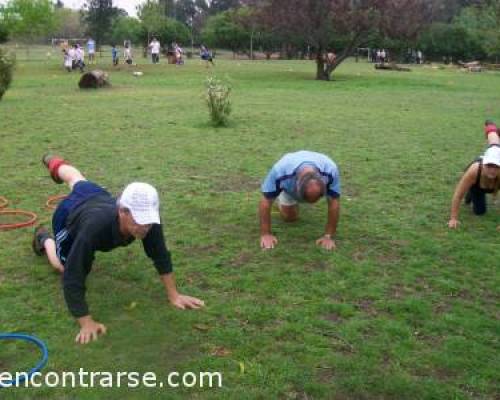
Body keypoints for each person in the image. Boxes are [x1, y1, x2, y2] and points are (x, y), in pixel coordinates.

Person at [32, 155, 205, 344]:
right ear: (122, 211)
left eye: (147, 220)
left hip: (96, 196)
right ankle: (44, 239)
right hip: (69, 215)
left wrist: (174, 295)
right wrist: (86, 322)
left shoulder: (148, 221)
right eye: (139, 219)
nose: (145, 227)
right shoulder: (94, 229)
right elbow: (73, 276)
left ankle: (54, 163)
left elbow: (160, 254)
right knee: (62, 266)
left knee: (77, 180)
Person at [259, 150, 341, 251]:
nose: (312, 204)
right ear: (297, 186)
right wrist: (265, 234)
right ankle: (280, 194)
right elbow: (265, 201)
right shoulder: (280, 171)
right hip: (287, 184)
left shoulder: (330, 170)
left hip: (309, 174)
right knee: (290, 218)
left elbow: (334, 202)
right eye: (307, 200)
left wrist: (328, 236)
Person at [448, 121, 500, 228]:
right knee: (480, 211)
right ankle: (491, 126)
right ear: (484, 163)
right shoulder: (474, 170)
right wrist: (453, 218)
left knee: (495, 144)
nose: (492, 170)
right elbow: (458, 195)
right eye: (489, 165)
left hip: (489, 179)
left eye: (496, 166)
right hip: (478, 181)